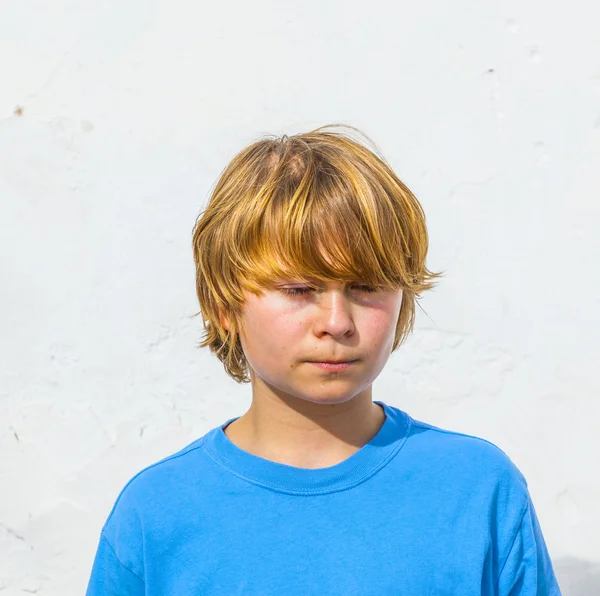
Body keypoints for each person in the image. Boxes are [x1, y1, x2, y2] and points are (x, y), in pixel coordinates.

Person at [85, 124, 562, 595]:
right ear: (223, 306)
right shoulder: (157, 514)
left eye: (366, 286)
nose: (336, 321)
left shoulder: (478, 490)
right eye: (299, 289)